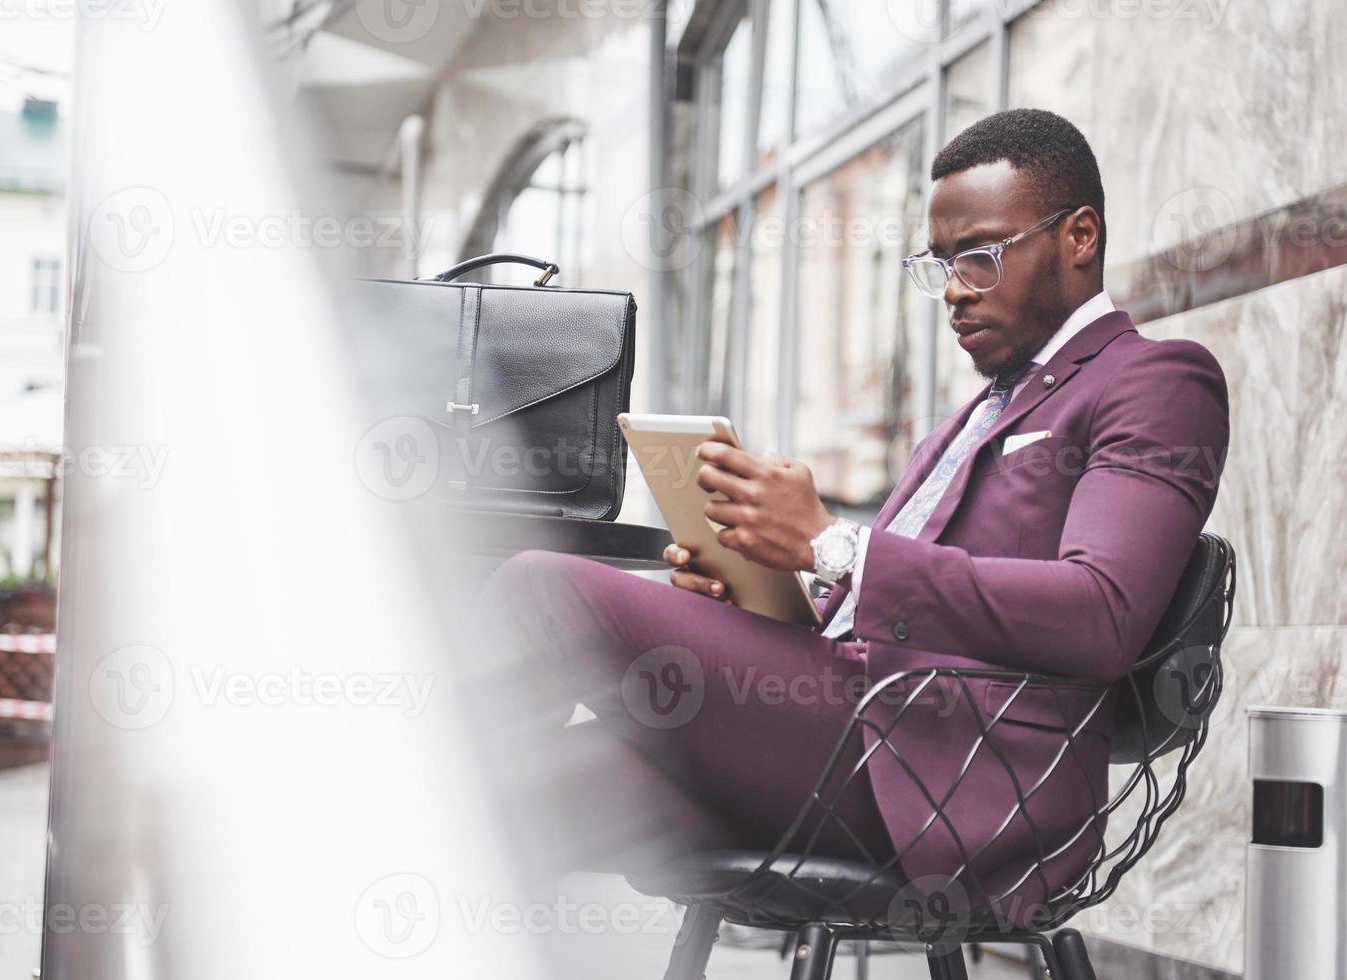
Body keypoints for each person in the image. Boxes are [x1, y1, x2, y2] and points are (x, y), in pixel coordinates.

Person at [481, 108, 1229, 926]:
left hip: (952, 783)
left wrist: (832, 544)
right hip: (840, 742)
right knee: (530, 786)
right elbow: (869, 608)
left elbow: (1101, 615)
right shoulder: (971, 414)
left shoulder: (1154, 382)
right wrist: (749, 591)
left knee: (544, 585)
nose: (951, 289)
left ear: (1079, 237)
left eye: (978, 256)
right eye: (939, 264)